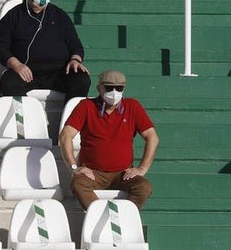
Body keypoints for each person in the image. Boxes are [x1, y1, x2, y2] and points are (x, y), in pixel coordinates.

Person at [59, 70, 159, 210]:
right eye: (109, 88)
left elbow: (152, 137)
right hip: (92, 173)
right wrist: (74, 167)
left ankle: (123, 217)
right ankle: (100, 216)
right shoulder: (86, 106)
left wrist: (142, 168)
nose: (114, 92)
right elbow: (65, 136)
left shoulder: (133, 106)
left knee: (144, 187)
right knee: (78, 184)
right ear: (99, 88)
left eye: (119, 88)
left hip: (123, 174)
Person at [0, 0, 91, 99]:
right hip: (26, 70)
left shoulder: (60, 15)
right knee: (8, 83)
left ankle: (72, 113)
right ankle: (25, 112)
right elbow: (0, 48)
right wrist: (15, 64)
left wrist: (75, 60)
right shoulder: (13, 16)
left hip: (59, 71)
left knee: (82, 80)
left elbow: (75, 44)